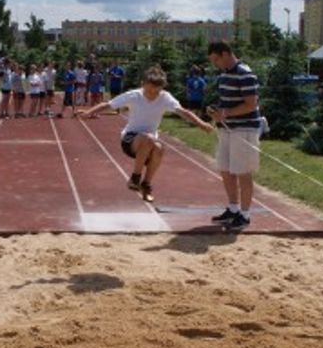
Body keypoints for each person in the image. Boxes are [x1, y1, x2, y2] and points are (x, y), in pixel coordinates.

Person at [77, 66, 213, 202]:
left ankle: (146, 184)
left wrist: (202, 124)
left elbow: (183, 112)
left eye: (156, 92)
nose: (152, 94)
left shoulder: (165, 97)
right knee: (148, 139)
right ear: (143, 85)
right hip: (130, 139)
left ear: (162, 88)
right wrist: (89, 112)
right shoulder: (134, 95)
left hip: (150, 142)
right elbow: (109, 104)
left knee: (159, 148)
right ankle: (135, 178)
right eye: (149, 91)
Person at [207, 41, 262, 231]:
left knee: (243, 172)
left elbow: (251, 104)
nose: (215, 64)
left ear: (225, 54)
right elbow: (228, 103)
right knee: (225, 169)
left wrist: (226, 114)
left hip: (244, 130)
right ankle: (233, 209)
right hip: (227, 129)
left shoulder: (245, 73)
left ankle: (245, 215)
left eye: (216, 60)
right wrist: (217, 111)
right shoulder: (223, 75)